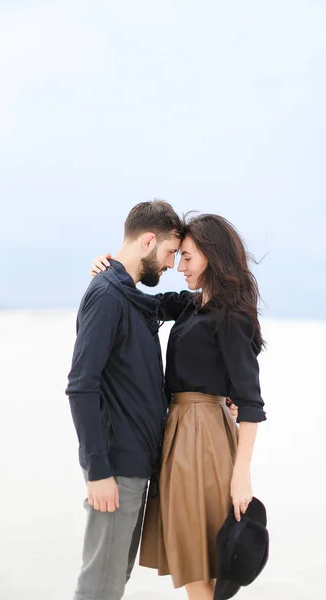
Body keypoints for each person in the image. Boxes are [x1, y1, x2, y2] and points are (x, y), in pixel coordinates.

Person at [90, 212, 266, 600]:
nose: (179, 267)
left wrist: (242, 477)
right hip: (179, 436)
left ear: (213, 257)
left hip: (205, 440)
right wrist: (110, 270)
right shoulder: (189, 305)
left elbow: (252, 405)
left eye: (187, 258)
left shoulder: (231, 316)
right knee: (194, 561)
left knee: (204, 564)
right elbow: (137, 302)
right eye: (179, 256)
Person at [66, 200, 184, 600]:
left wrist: (215, 287)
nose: (171, 264)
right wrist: (97, 471)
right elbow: (82, 386)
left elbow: (168, 305)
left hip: (134, 467)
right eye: (170, 252)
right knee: (99, 587)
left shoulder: (127, 294)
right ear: (149, 240)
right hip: (115, 470)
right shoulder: (108, 296)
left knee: (112, 583)